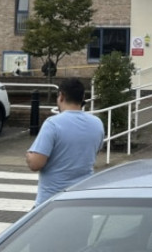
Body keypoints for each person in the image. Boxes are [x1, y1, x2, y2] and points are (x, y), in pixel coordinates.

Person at [25, 77, 105, 205]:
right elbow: (94, 152)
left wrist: (29, 155)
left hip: (53, 203)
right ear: (82, 97)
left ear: (61, 96)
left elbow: (36, 163)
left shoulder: (53, 124)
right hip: (84, 200)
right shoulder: (97, 124)